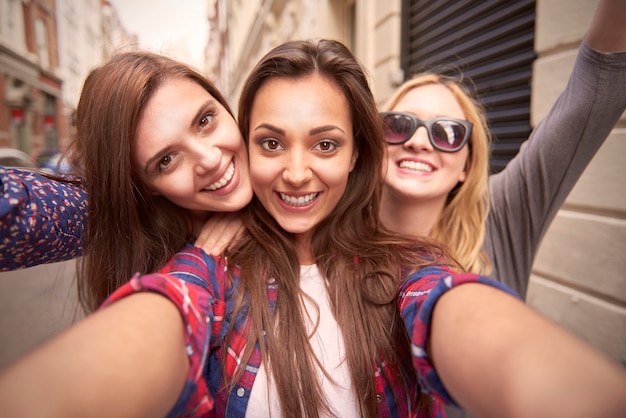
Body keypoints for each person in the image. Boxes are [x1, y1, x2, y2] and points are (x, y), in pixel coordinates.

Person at [1, 38, 626, 418]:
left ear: (359, 152)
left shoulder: (406, 265)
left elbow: (450, 306)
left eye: (324, 144)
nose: (296, 172)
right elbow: (166, 313)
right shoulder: (200, 270)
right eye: (271, 142)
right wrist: (188, 264)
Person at [379, 0, 626, 298]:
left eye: (447, 133)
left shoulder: (501, 216)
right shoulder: (335, 231)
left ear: (467, 167)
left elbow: (596, 89)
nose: (417, 142)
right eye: (399, 124)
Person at [0, 50, 252, 311]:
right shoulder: (178, 282)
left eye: (205, 120)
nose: (209, 159)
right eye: (167, 160)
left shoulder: (281, 162)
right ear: (147, 187)